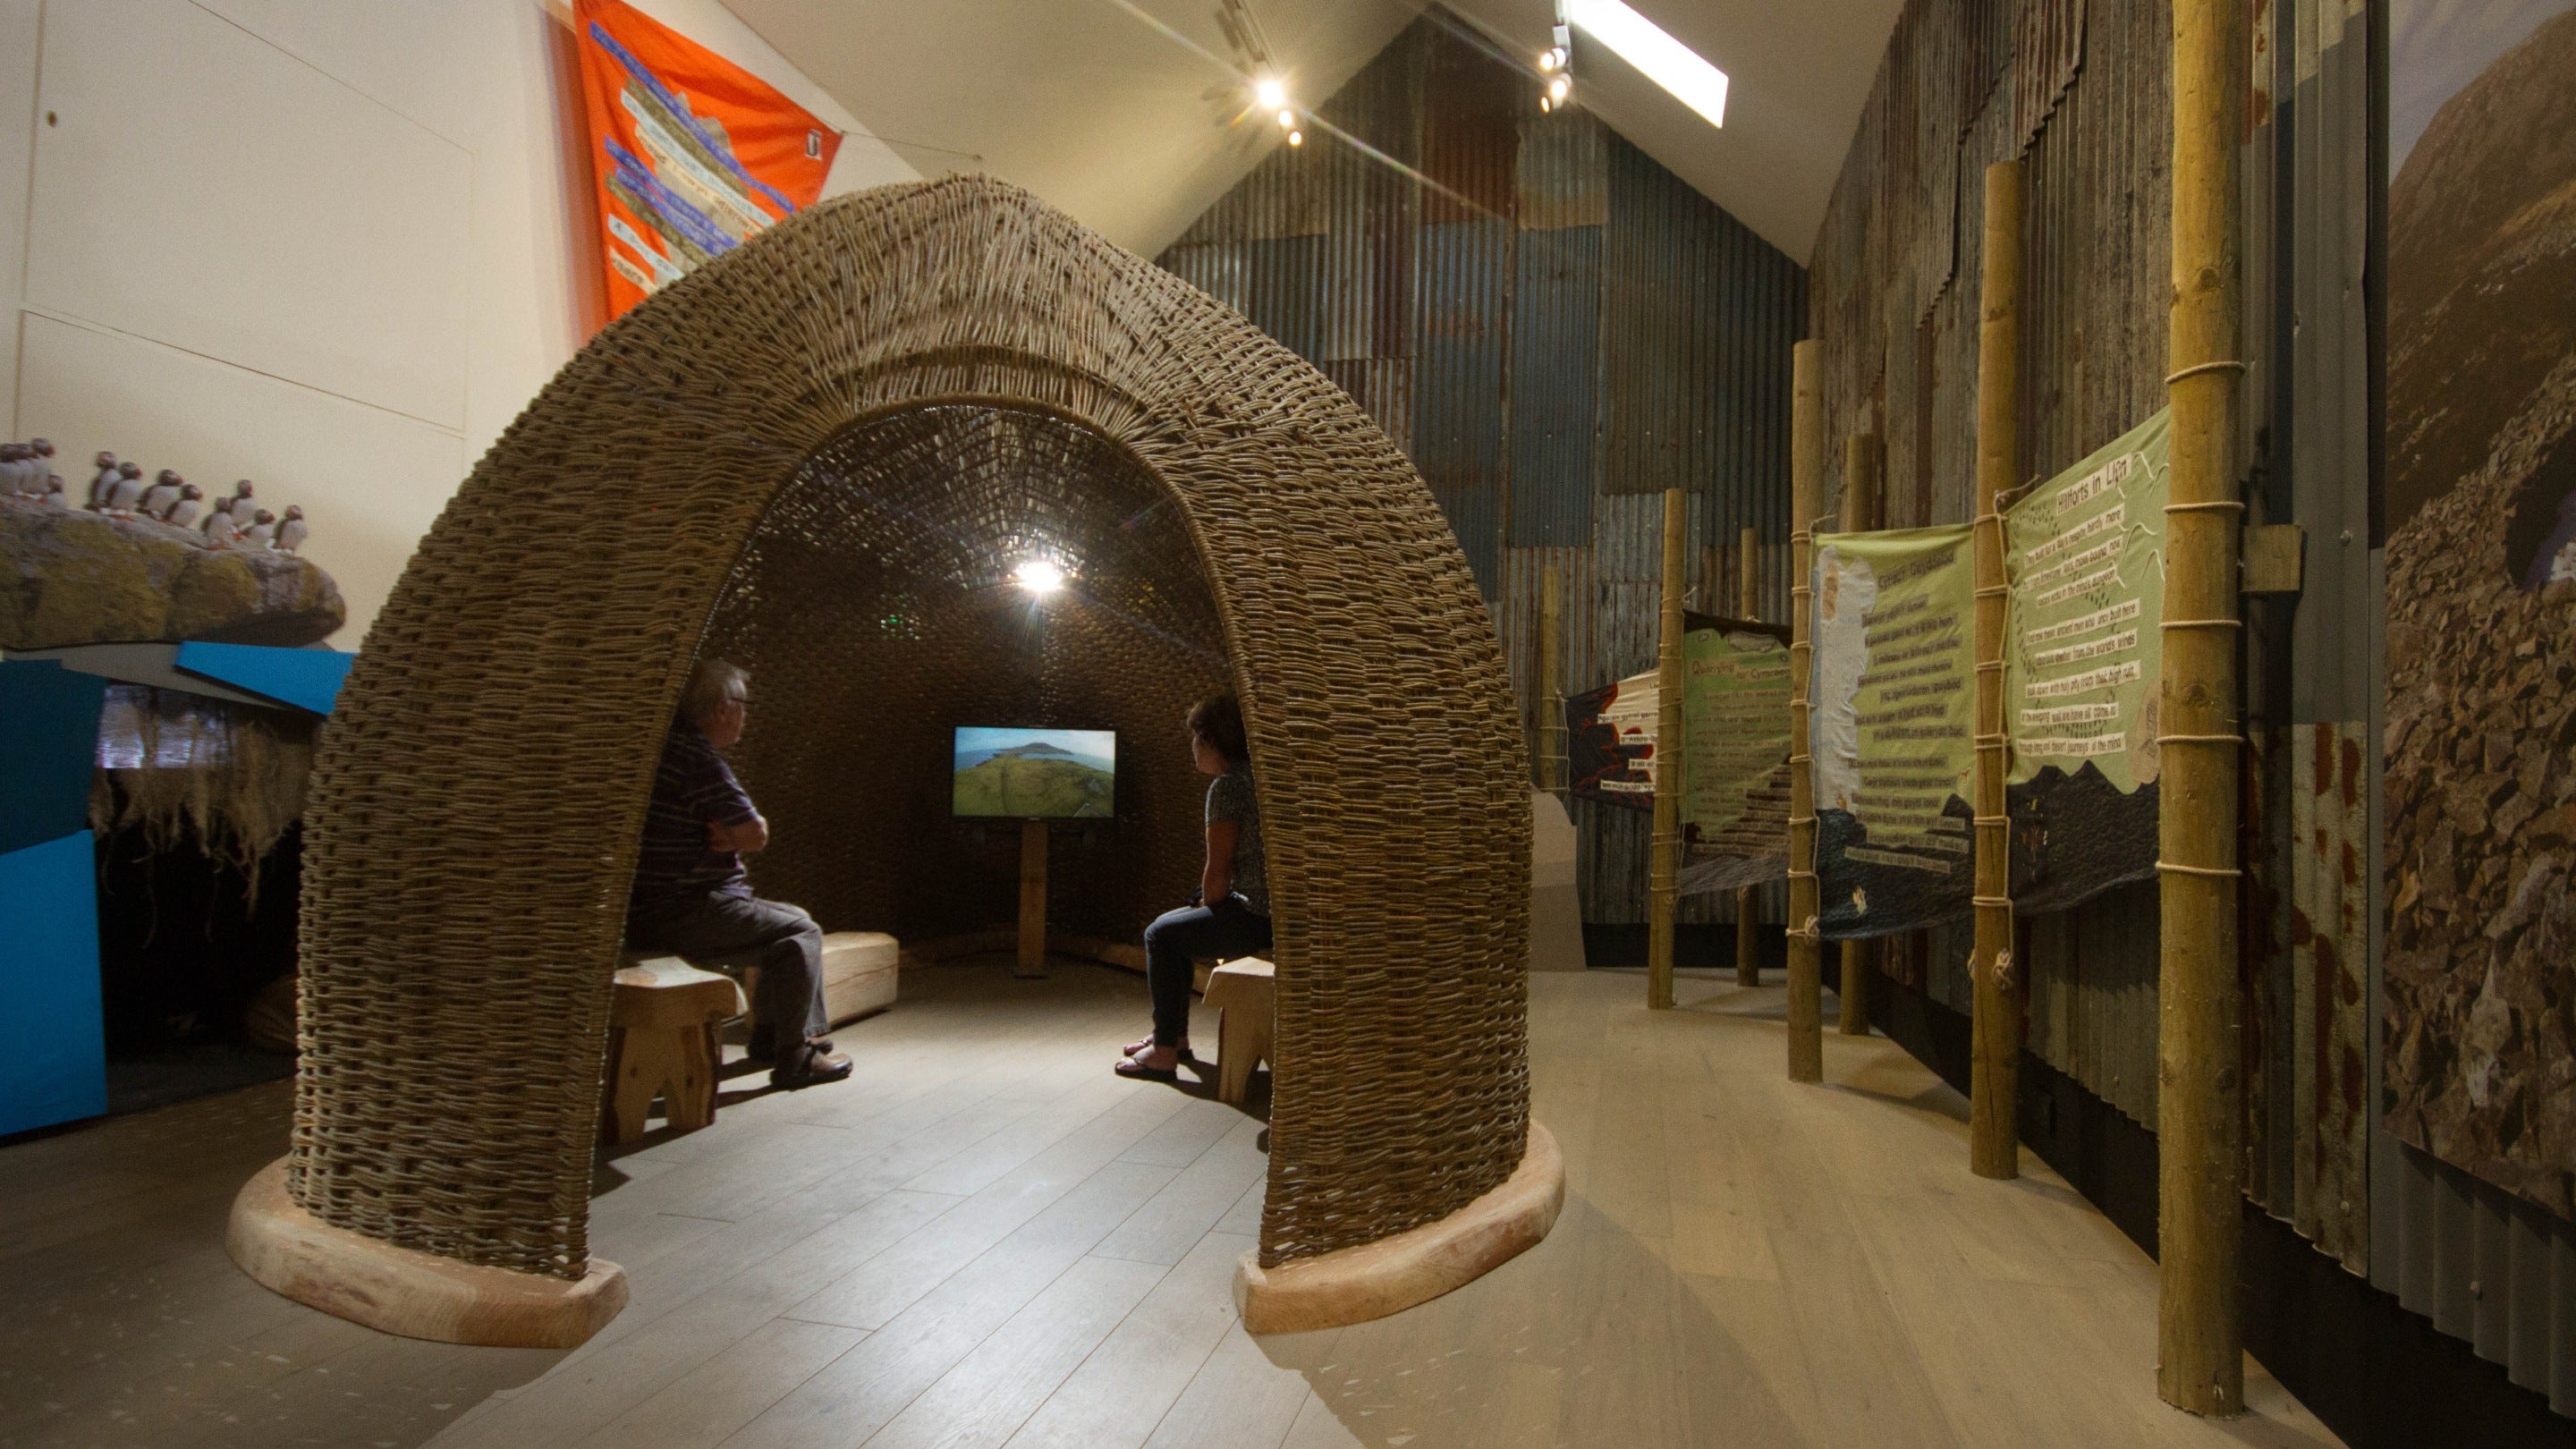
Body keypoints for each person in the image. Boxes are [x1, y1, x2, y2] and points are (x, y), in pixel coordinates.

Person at [626, 659, 852, 1089]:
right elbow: (756, 834)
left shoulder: (663, 750)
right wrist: (738, 835)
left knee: (787, 920)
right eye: (744, 705)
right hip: (687, 910)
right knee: (802, 931)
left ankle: (773, 1039)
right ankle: (796, 1056)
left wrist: (735, 835)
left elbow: (744, 834)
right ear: (723, 709)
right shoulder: (697, 758)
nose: (746, 716)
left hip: (652, 907)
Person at [1120, 694, 1272, 1080]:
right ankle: (1172, 1036)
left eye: (1195, 738)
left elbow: (1217, 871)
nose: (1192, 746)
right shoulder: (1260, 777)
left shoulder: (1227, 787)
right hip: (1277, 914)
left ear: (1208, 739)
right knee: (1178, 924)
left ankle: (1165, 1052)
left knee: (1160, 935)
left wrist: (1209, 904)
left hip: (1257, 918)